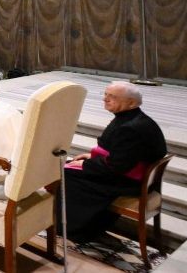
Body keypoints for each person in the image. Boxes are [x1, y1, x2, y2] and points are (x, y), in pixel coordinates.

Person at [63, 81, 168, 242]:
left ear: (131, 102)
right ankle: (89, 225)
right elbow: (122, 154)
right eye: (105, 95)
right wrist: (92, 157)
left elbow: (115, 166)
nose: (105, 99)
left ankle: (77, 230)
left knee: (65, 174)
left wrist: (85, 165)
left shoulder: (130, 127)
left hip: (127, 182)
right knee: (71, 166)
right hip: (129, 173)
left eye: (112, 97)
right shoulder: (133, 118)